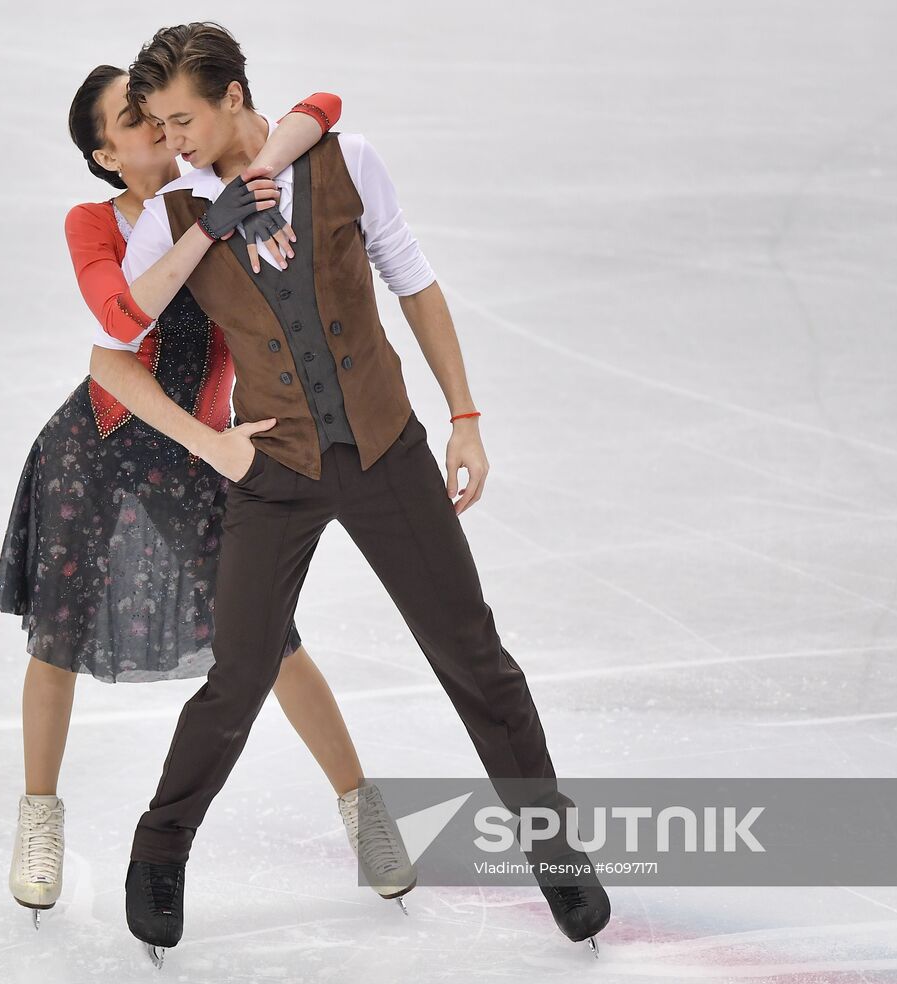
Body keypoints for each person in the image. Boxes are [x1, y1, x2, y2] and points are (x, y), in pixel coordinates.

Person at [97, 21, 613, 963]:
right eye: (160, 125)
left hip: (385, 451)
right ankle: (160, 848)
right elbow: (114, 345)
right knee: (241, 675)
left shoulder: (343, 161)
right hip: (275, 472)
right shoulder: (171, 218)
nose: (172, 142)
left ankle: (553, 845)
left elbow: (413, 282)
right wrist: (212, 445)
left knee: (474, 657)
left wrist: (463, 416)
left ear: (235, 99)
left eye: (185, 119)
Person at [0, 66, 414, 932]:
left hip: (207, 456)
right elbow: (113, 340)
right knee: (58, 640)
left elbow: (321, 106)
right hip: (100, 445)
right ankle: (40, 821)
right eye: (133, 121)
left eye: (157, 111)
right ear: (107, 156)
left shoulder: (215, 188)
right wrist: (209, 440)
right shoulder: (97, 223)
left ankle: (363, 807)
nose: (156, 125)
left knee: (270, 641)